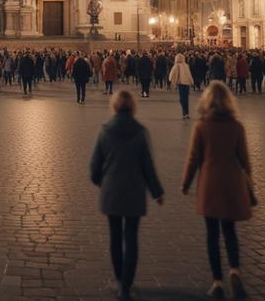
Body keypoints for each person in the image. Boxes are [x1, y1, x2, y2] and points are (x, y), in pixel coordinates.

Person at [90, 90, 164, 301]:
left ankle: (118, 278)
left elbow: (95, 165)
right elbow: (148, 166)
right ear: (133, 107)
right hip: (134, 191)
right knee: (131, 238)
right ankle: (127, 286)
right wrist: (157, 191)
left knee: (115, 236)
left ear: (113, 106)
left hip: (111, 191)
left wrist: (100, 182)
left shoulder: (104, 131)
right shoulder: (140, 132)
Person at [181, 81, 252, 300]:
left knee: (212, 234)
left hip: (210, 182)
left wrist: (185, 183)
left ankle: (218, 282)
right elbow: (245, 160)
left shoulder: (202, 125)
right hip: (232, 182)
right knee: (229, 230)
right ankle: (235, 271)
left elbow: (194, 158)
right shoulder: (236, 126)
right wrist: (250, 186)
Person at [169, 53, 194, 120]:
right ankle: (186, 113)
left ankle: (184, 112)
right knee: (186, 99)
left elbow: (172, 73)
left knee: (182, 98)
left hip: (181, 83)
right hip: (186, 84)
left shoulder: (176, 65)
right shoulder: (186, 65)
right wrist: (191, 82)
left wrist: (170, 80)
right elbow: (189, 74)